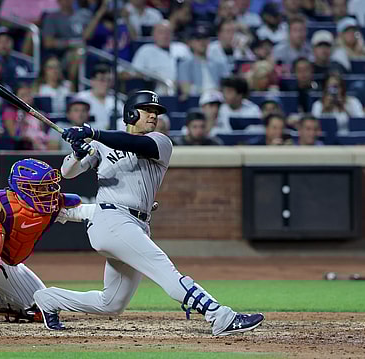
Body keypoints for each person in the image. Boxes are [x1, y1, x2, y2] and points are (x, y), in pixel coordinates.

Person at [33, 90, 265, 335]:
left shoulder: (160, 142)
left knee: (111, 304)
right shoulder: (100, 146)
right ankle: (220, 317)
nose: (154, 116)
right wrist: (79, 151)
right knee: (165, 271)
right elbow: (68, 172)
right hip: (111, 221)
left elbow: (133, 143)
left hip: (136, 224)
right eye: (148, 111)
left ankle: (49, 299)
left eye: (156, 112)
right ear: (131, 113)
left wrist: (92, 133)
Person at [0, 158, 94, 324]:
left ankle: (1, 303)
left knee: (41, 308)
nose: (48, 192)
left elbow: (78, 206)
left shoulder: (52, 205)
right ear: (22, 187)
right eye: (41, 187)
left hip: (10, 264)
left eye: (49, 186)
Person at [130, 20, 192, 95]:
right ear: (153, 35)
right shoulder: (145, 50)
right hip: (157, 92)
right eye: (161, 32)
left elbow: (193, 67)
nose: (165, 36)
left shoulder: (182, 48)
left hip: (183, 90)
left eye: (168, 32)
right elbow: (134, 72)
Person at [178, 25, 229, 101]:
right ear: (191, 43)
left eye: (205, 39)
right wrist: (209, 92)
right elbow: (186, 88)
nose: (202, 42)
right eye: (198, 39)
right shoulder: (185, 65)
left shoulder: (219, 63)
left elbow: (227, 85)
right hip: (196, 100)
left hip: (218, 100)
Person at [76, 64, 124, 130]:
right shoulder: (81, 98)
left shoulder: (116, 101)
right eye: (102, 80)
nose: (105, 84)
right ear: (92, 81)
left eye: (108, 80)